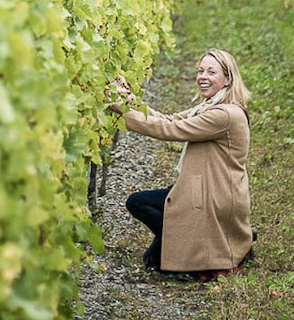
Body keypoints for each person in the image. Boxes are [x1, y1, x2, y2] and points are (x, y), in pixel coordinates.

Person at [108, 50, 253, 277]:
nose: (203, 76)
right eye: (200, 70)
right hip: (207, 188)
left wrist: (121, 111)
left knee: (143, 221)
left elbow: (169, 130)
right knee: (152, 249)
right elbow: (169, 119)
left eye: (211, 72)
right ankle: (211, 240)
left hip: (214, 196)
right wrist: (129, 101)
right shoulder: (209, 107)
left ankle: (215, 245)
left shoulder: (224, 115)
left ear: (228, 79)